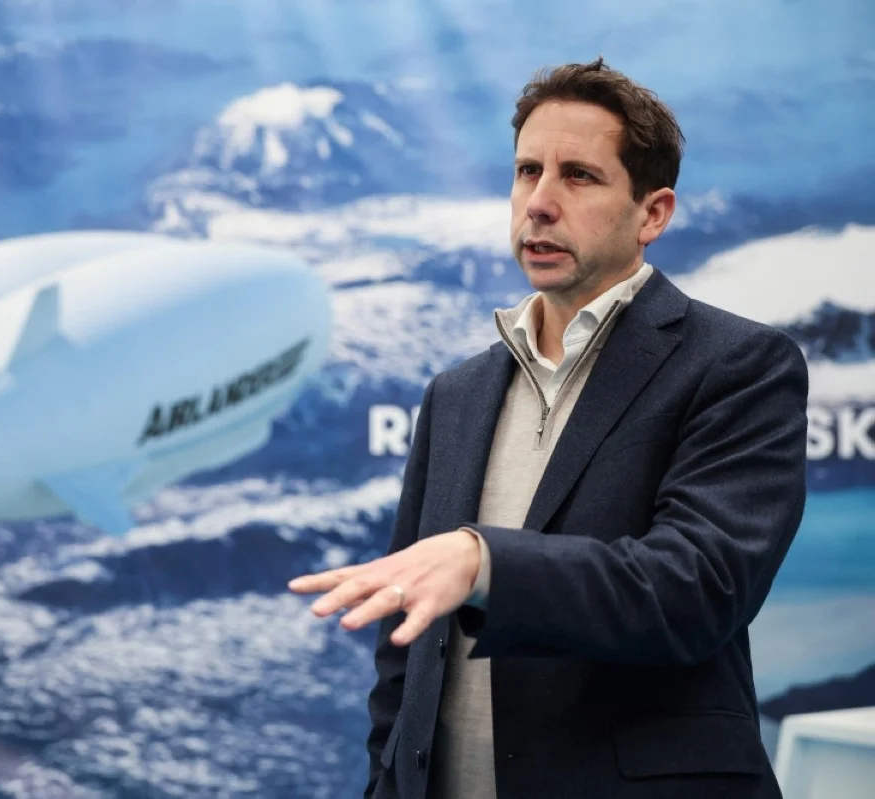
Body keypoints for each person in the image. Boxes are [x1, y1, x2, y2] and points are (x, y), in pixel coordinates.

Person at [288, 57, 809, 799]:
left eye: (578, 176)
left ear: (652, 214)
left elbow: (697, 588)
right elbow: (406, 655)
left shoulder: (739, 364)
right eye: (527, 171)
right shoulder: (457, 393)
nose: (538, 202)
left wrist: (484, 562)